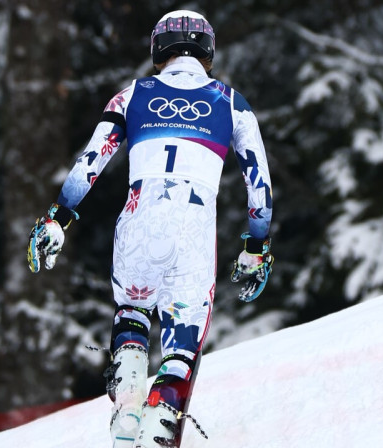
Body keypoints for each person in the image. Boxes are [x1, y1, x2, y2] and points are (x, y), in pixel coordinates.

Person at [27, 10, 273, 448]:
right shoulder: (234, 103)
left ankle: (127, 404)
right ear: (208, 52)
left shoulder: (130, 96)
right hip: (194, 224)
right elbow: (260, 185)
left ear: (158, 50)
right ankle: (159, 426)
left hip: (139, 214)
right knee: (181, 345)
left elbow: (89, 164)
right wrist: (255, 246)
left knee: (132, 314)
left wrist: (57, 219)